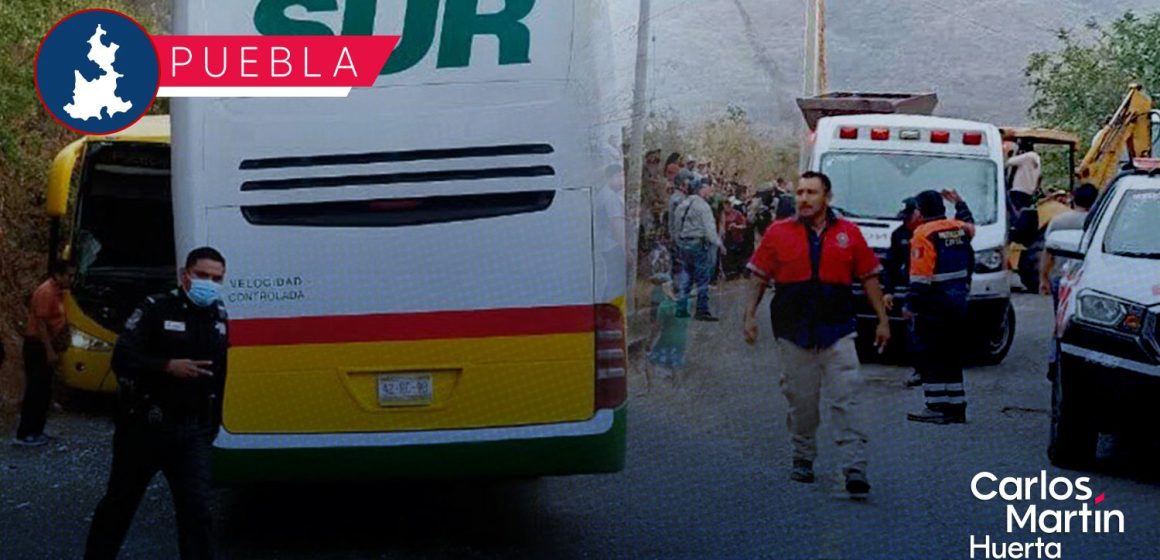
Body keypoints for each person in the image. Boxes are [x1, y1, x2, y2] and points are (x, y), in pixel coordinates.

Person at [743, 171, 890, 499]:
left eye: (811, 192)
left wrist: (883, 320)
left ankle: (855, 467)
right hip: (794, 332)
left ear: (827, 197)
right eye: (799, 192)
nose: (804, 199)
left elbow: (869, 278)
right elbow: (759, 277)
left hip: (838, 330)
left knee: (847, 398)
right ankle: (803, 457)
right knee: (802, 402)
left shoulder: (849, 234)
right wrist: (749, 315)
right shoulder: (778, 232)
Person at [85, 247, 230, 560]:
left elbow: (220, 373)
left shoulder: (218, 315)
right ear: (184, 275)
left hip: (192, 432)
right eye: (202, 275)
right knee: (119, 506)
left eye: (216, 278)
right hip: (143, 429)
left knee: (198, 512)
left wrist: (212, 424)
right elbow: (121, 359)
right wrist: (166, 366)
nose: (209, 283)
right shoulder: (155, 308)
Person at [905, 190, 976, 425]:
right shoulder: (959, 228)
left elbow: (921, 276)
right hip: (958, 302)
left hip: (933, 305)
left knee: (932, 355)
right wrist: (961, 203)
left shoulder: (923, 234)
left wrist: (911, 305)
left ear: (921, 210)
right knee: (951, 355)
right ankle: (956, 406)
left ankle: (936, 406)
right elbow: (970, 227)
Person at [13, 261, 75, 447]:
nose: (71, 279)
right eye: (68, 275)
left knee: (44, 390)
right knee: (35, 389)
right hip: (37, 346)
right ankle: (25, 433)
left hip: (46, 345)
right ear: (58, 274)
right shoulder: (46, 291)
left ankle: (37, 430)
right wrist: (49, 351)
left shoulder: (58, 292)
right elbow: (41, 324)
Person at [1040, 184, 1098, 379]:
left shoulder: (1059, 221)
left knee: (1060, 323)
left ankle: (1054, 359)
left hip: (1061, 281)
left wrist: (1043, 278)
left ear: (1073, 197)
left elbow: (1048, 253)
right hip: (1090, 282)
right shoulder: (1098, 222)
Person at [673, 176, 726, 321]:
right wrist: (719, 244)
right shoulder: (703, 206)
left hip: (684, 243)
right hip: (698, 243)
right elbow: (710, 230)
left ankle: (681, 308)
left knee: (686, 275)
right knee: (703, 277)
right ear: (702, 189)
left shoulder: (682, 204)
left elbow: (675, 226)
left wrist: (678, 241)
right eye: (709, 188)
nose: (710, 191)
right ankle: (702, 310)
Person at [645, 274, 689, 390]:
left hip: (666, 338)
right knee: (676, 364)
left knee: (650, 361)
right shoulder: (685, 303)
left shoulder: (664, 306)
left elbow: (657, 327)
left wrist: (649, 342)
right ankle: (678, 389)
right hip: (682, 338)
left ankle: (651, 389)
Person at [1005, 141, 1041, 213]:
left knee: (1014, 211)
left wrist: (1012, 154)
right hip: (1029, 191)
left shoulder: (1027, 157)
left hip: (1019, 190)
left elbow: (1009, 162)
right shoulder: (1037, 158)